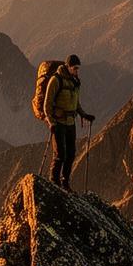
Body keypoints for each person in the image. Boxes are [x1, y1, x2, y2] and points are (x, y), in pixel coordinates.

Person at [39, 54, 93, 190]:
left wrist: (84, 115)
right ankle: (54, 182)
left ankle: (65, 182)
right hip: (58, 123)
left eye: (78, 68)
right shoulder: (56, 80)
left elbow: (76, 103)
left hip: (70, 123)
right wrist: (51, 122)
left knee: (71, 153)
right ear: (68, 66)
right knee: (60, 154)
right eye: (74, 68)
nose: (76, 71)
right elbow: (47, 104)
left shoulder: (74, 82)